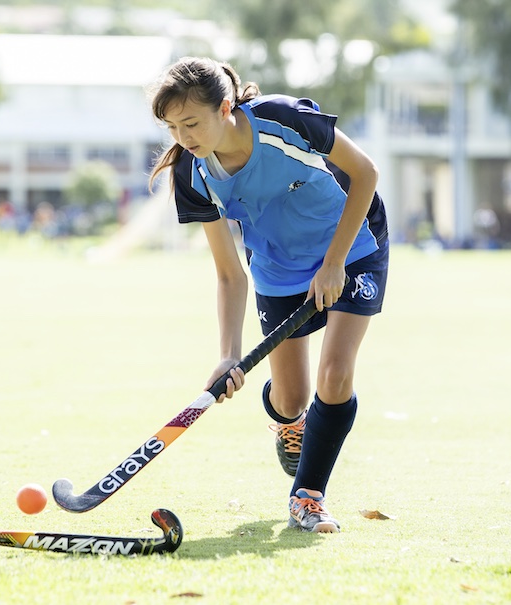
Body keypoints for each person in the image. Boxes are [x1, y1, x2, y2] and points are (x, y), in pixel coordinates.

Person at [147, 57, 389, 533]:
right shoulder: (191, 174)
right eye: (173, 127)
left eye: (192, 123)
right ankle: (288, 420)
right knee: (292, 396)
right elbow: (229, 274)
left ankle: (307, 497)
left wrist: (335, 262)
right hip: (278, 266)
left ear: (225, 107)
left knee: (335, 374)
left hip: (352, 242)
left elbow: (366, 173)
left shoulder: (284, 120)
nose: (184, 137)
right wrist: (228, 355)